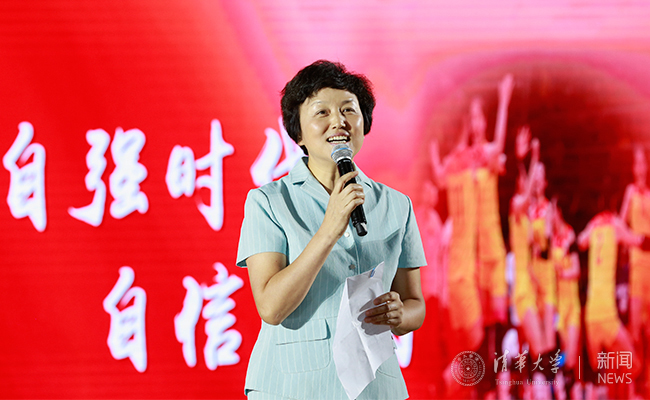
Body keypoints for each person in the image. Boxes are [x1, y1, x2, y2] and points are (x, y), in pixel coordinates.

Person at [236, 60, 426, 400]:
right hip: (292, 387)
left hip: (376, 388)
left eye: (349, 110)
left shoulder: (397, 205)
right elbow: (271, 307)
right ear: (298, 133)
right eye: (321, 112)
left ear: (365, 122)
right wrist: (330, 228)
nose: (338, 121)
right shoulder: (268, 202)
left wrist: (400, 314)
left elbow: (415, 304)